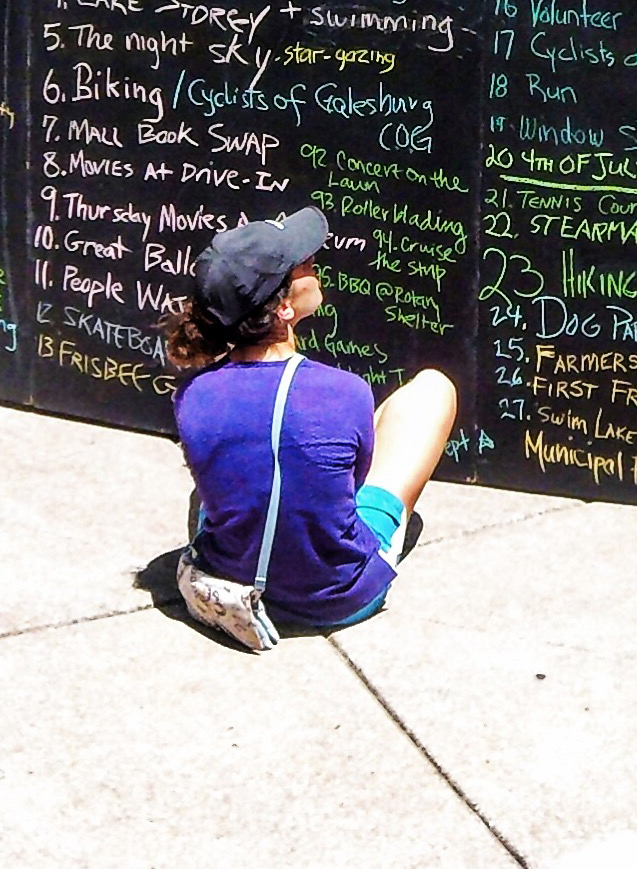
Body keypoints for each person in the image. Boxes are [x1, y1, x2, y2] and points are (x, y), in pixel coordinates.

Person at [162, 205, 457, 645]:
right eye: (301, 264)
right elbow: (351, 489)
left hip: (228, 579)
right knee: (433, 389)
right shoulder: (345, 391)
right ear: (282, 308)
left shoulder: (192, 395)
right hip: (337, 598)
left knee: (236, 473)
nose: (312, 262)